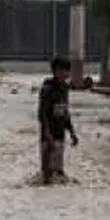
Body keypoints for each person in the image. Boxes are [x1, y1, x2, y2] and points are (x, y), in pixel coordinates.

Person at [37, 56, 79, 185]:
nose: (65, 74)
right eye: (62, 70)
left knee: (58, 171)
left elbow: (65, 112)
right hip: (48, 136)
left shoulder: (64, 88)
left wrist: (72, 132)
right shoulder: (47, 89)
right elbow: (42, 113)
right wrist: (47, 133)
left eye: (67, 71)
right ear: (55, 71)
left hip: (60, 134)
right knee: (47, 173)